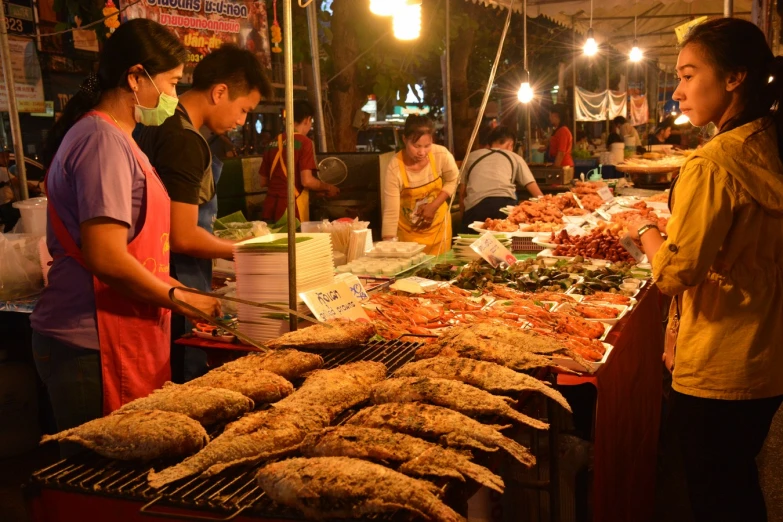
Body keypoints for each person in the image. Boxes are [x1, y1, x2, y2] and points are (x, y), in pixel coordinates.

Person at [31, 19, 220, 452]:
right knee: (96, 479)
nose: (174, 97)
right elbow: (106, 257)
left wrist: (179, 289)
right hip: (90, 344)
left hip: (120, 329)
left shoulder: (120, 137)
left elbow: (135, 251)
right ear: (136, 77)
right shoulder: (101, 140)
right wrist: (180, 297)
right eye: (171, 84)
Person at [628, 18, 783, 522]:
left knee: (717, 493)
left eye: (689, 75)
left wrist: (646, 232)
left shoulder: (713, 163)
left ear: (735, 77)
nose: (677, 91)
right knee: (737, 482)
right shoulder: (768, 144)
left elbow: (676, 274)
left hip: (719, 361)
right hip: (766, 353)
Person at [135, 45, 272, 382]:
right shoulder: (184, 139)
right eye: (243, 110)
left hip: (153, 279)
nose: (241, 121)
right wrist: (249, 250)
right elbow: (181, 235)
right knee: (182, 384)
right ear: (219, 92)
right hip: (176, 283)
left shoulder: (156, 123)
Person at [382, 115, 458, 255]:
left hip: (439, 231)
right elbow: (391, 212)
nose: (422, 152)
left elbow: (453, 179)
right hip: (408, 237)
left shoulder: (441, 154)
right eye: (416, 146)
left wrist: (434, 205)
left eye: (427, 145)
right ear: (404, 139)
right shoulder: (395, 168)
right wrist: (388, 246)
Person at [259, 100, 339, 222]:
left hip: (270, 208)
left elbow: (263, 181)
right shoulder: (305, 143)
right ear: (308, 119)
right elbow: (306, 181)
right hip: (291, 210)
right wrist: (328, 187)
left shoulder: (273, 142)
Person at [458, 126, 543, 232]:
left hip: (475, 209)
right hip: (504, 206)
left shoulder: (470, 157)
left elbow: (462, 194)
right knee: (505, 244)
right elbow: (537, 194)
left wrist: (463, 220)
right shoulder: (515, 157)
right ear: (510, 144)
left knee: (470, 246)